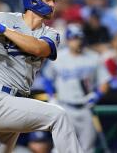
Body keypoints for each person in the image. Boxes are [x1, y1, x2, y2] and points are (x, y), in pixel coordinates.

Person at [0, 0, 84, 153]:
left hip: (16, 104)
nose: (52, 4)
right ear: (33, 0)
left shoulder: (50, 33)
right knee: (58, 116)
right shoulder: (2, 18)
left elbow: (38, 48)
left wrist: (3, 31)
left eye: (53, 0)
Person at [41, 24, 111, 153]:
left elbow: (105, 83)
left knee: (87, 149)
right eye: (73, 38)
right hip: (65, 107)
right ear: (67, 39)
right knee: (61, 148)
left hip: (86, 108)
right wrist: (51, 96)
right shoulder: (57, 57)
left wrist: (97, 95)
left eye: (79, 38)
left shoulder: (94, 57)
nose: (77, 41)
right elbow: (47, 79)